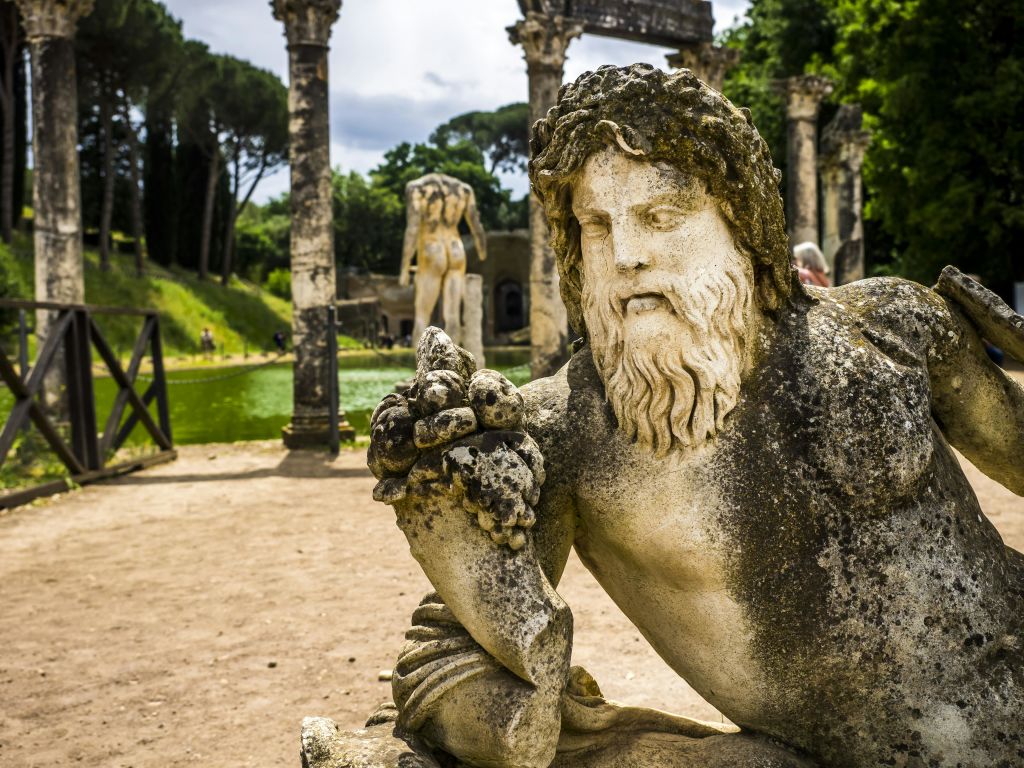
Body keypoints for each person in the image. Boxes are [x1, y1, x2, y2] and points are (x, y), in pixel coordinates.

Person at [366, 65, 1024, 768]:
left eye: (661, 216)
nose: (625, 255)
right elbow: (439, 667)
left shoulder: (892, 323)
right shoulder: (562, 435)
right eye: (595, 225)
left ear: (741, 217)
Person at [399, 174, 488, 344]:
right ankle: (454, 367)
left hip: (431, 248)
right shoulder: (463, 189)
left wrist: (405, 266)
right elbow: (476, 224)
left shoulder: (417, 188)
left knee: (422, 316)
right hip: (456, 249)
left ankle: (420, 367)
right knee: (453, 317)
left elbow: (413, 228)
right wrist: (482, 251)